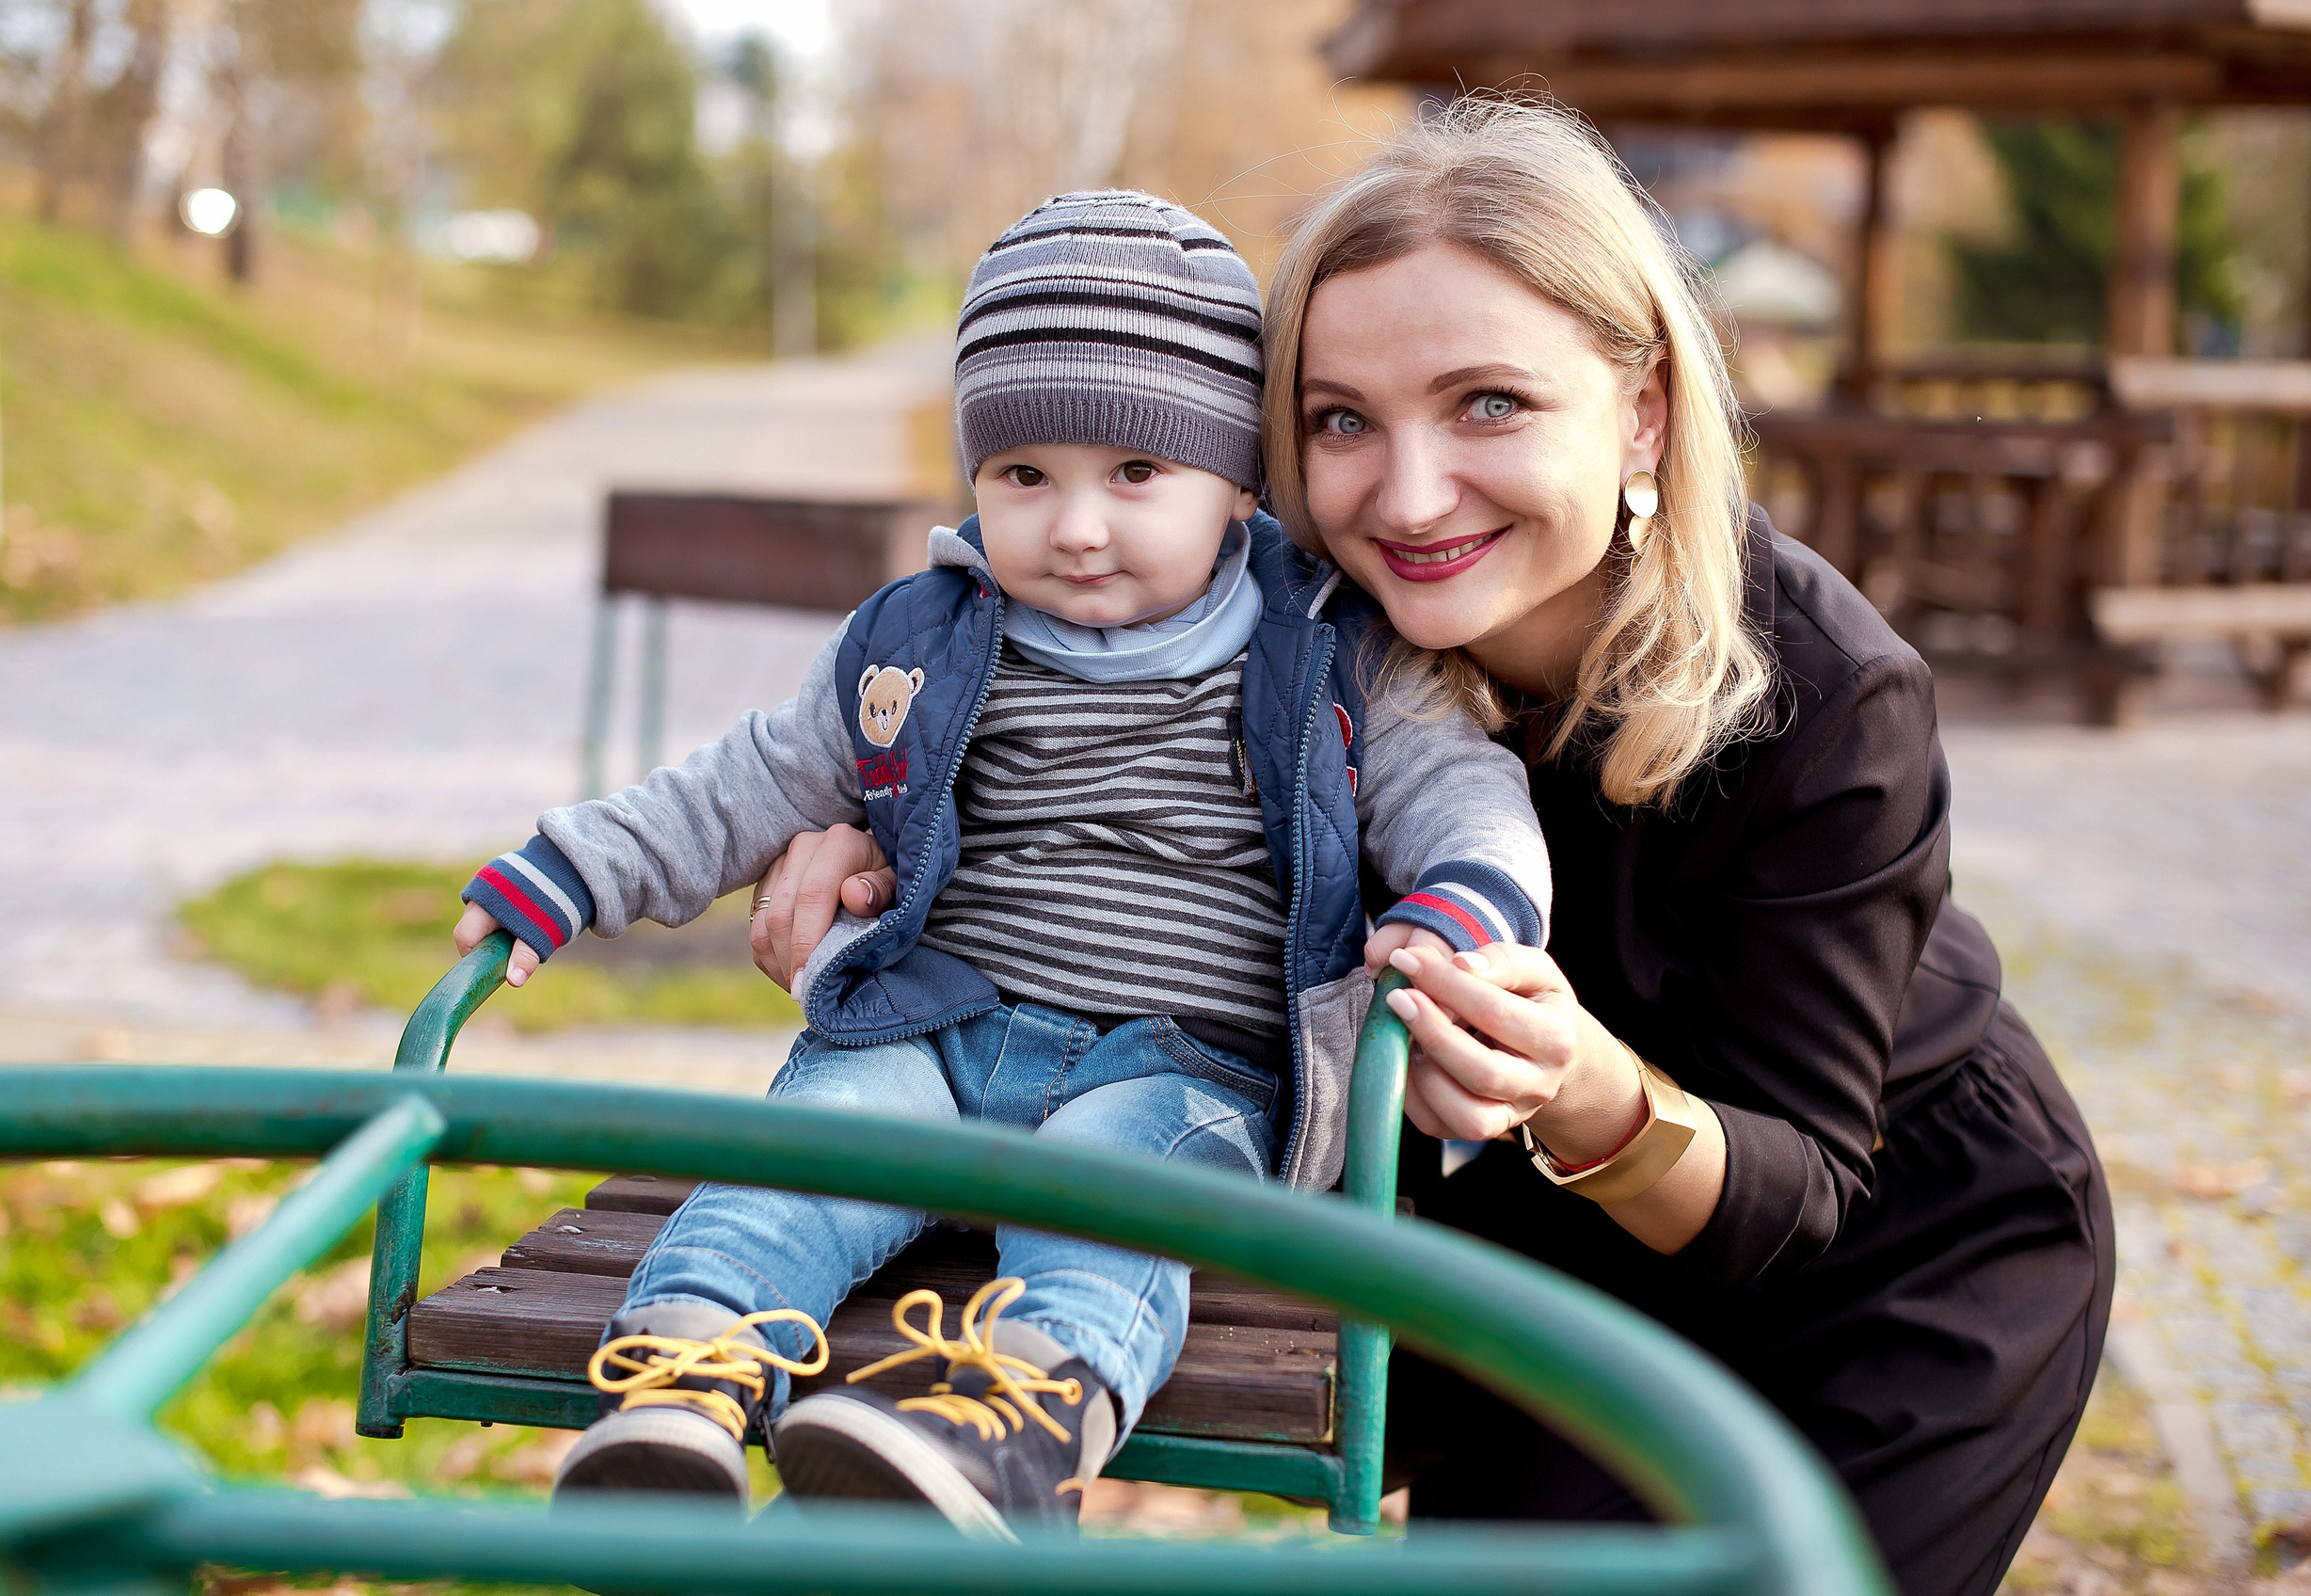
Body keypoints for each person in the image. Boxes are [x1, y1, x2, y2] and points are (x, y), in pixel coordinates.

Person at [755, 104, 2113, 1594]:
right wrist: (883, 844)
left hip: (1896, 1236)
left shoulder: (1826, 696)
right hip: (1555, 1226)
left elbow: (1795, 1196)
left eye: (1488, 405)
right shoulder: (1277, 631)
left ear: (1643, 412)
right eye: (1342, 421)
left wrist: (1584, 1091)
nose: (1406, 498)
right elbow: (1032, 765)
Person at [451, 188, 1553, 1539]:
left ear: (1238, 482)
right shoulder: (926, 636)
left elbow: (1463, 788)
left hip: (1185, 1058)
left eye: (1136, 475)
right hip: (941, 1021)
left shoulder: (1324, 643)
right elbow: (748, 779)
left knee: (1116, 1199)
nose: (1076, 528)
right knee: (812, 1149)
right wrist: (574, 870)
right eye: (1024, 476)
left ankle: (1005, 1426)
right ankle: (680, 1385)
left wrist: (1465, 904)